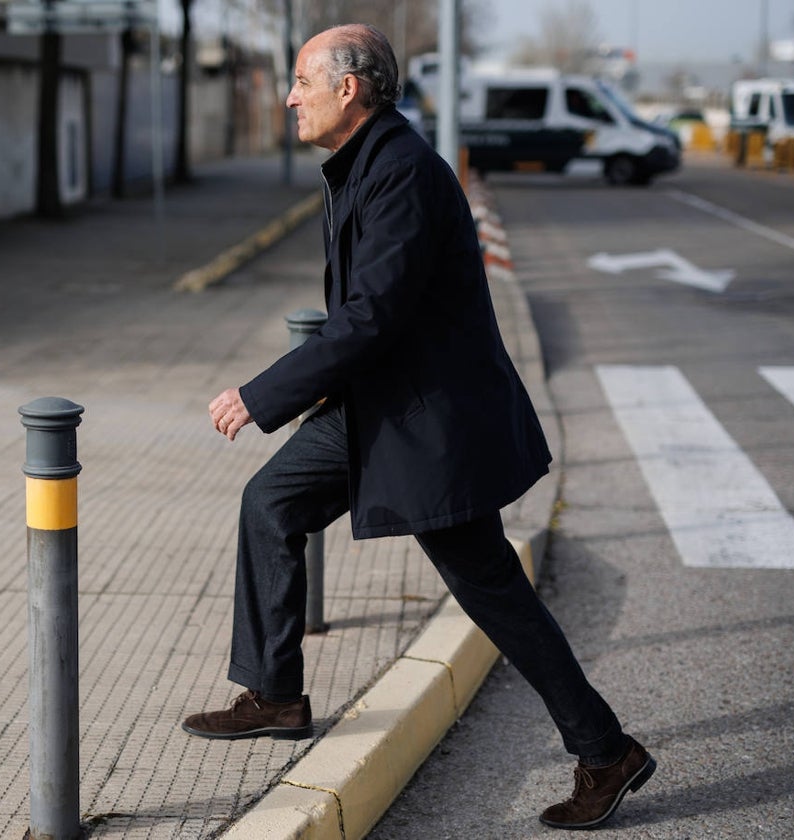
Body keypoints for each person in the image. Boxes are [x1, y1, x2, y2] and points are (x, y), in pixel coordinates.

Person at [181, 23, 655, 831]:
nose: (289, 97)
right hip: (381, 407)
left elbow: (371, 317)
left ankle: (605, 751)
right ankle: (276, 692)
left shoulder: (401, 172)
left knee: (492, 592)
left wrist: (264, 395)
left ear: (349, 90)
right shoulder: (364, 164)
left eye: (301, 81)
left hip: (432, 426)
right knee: (272, 504)